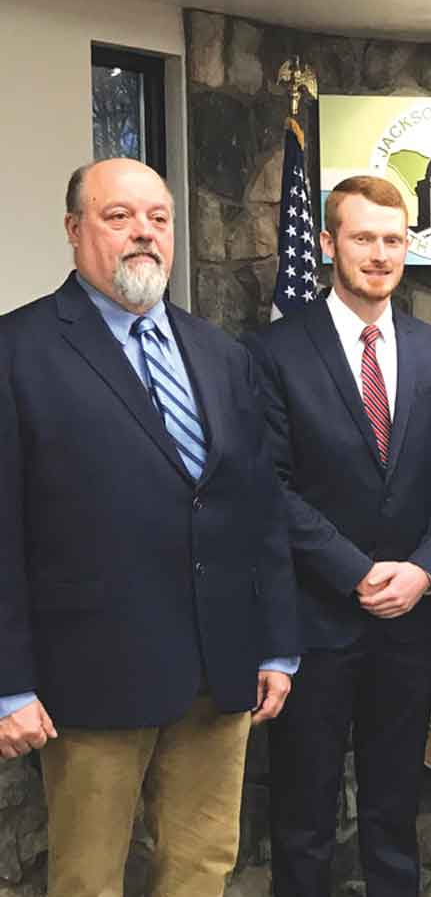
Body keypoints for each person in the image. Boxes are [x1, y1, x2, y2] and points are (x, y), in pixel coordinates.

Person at [0, 157, 299, 897]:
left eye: (158, 218)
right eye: (119, 216)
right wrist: (8, 684)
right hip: (89, 677)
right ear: (74, 230)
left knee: (202, 870)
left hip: (219, 669)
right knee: (88, 881)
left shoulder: (221, 353)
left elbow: (257, 506)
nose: (144, 232)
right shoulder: (16, 351)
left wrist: (277, 642)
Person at [243, 174, 431, 897]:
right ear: (327, 244)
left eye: (393, 240)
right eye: (364, 237)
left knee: (394, 812)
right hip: (315, 619)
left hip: (409, 620)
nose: (380, 254)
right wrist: (356, 571)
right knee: (304, 817)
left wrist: (424, 570)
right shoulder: (275, 351)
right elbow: (269, 485)